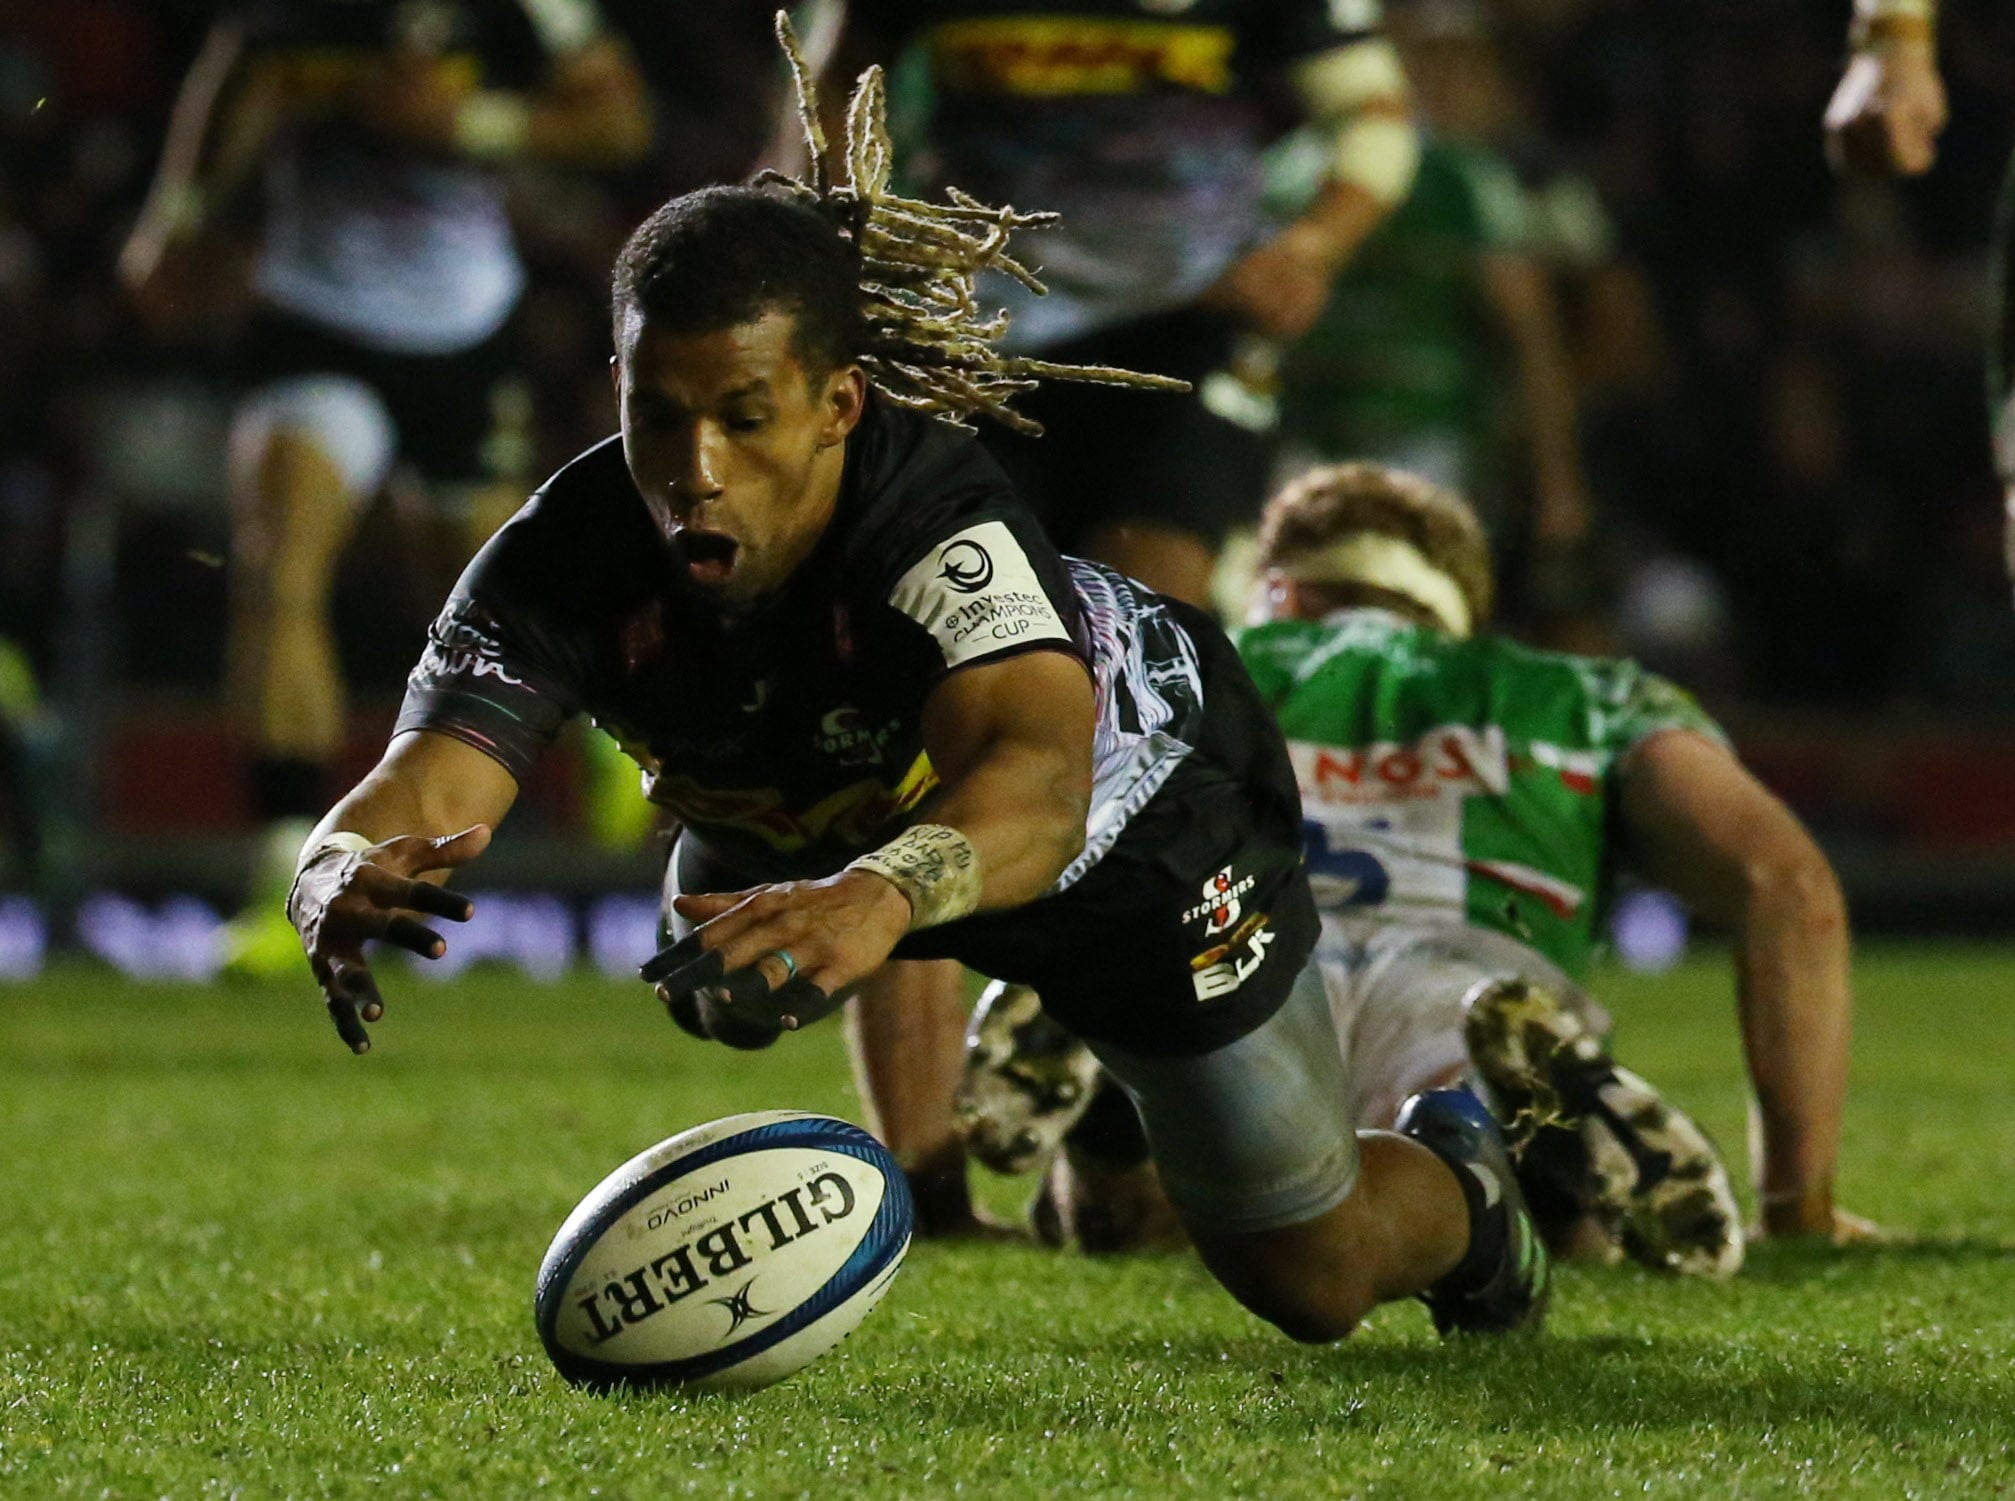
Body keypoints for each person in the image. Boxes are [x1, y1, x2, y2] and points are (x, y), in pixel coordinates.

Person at [281, 40, 1550, 1346]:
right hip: (868, 820)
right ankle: (1075, 1104)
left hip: (1142, 827)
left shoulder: (935, 521)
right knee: (721, 965)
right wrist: (335, 863)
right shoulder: (564, 551)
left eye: (743, 415)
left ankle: (1461, 1186)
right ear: (617, 390)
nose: (694, 471)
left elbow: (1036, 783)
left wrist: (874, 897)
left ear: (837, 404)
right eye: (657, 415)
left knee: (1311, 1277)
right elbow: (426, 781)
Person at [959, 463, 1872, 1270]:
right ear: (1456, 598)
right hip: (1467, 976)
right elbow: (1784, 884)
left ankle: (1111, 1113)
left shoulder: (1179, 660)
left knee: (1147, 1209)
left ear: (1274, 585)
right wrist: (1800, 1208)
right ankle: (1527, 1145)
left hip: (1233, 959)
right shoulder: (1582, 691)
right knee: (1489, 1200)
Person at [119, 0, 653, 976]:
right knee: (276, 572)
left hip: (460, 328)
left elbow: (618, 121)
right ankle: (286, 863)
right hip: (310, 315)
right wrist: (179, 214)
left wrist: (473, 126)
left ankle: (598, 731)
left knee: (486, 606)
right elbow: (237, 76)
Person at [804, 0, 1420, 609]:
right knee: (969, 605)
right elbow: (832, 82)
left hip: (1189, 317)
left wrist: (1309, 248)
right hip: (978, 327)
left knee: (1151, 602)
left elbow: (1373, 111)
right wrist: (849, 231)